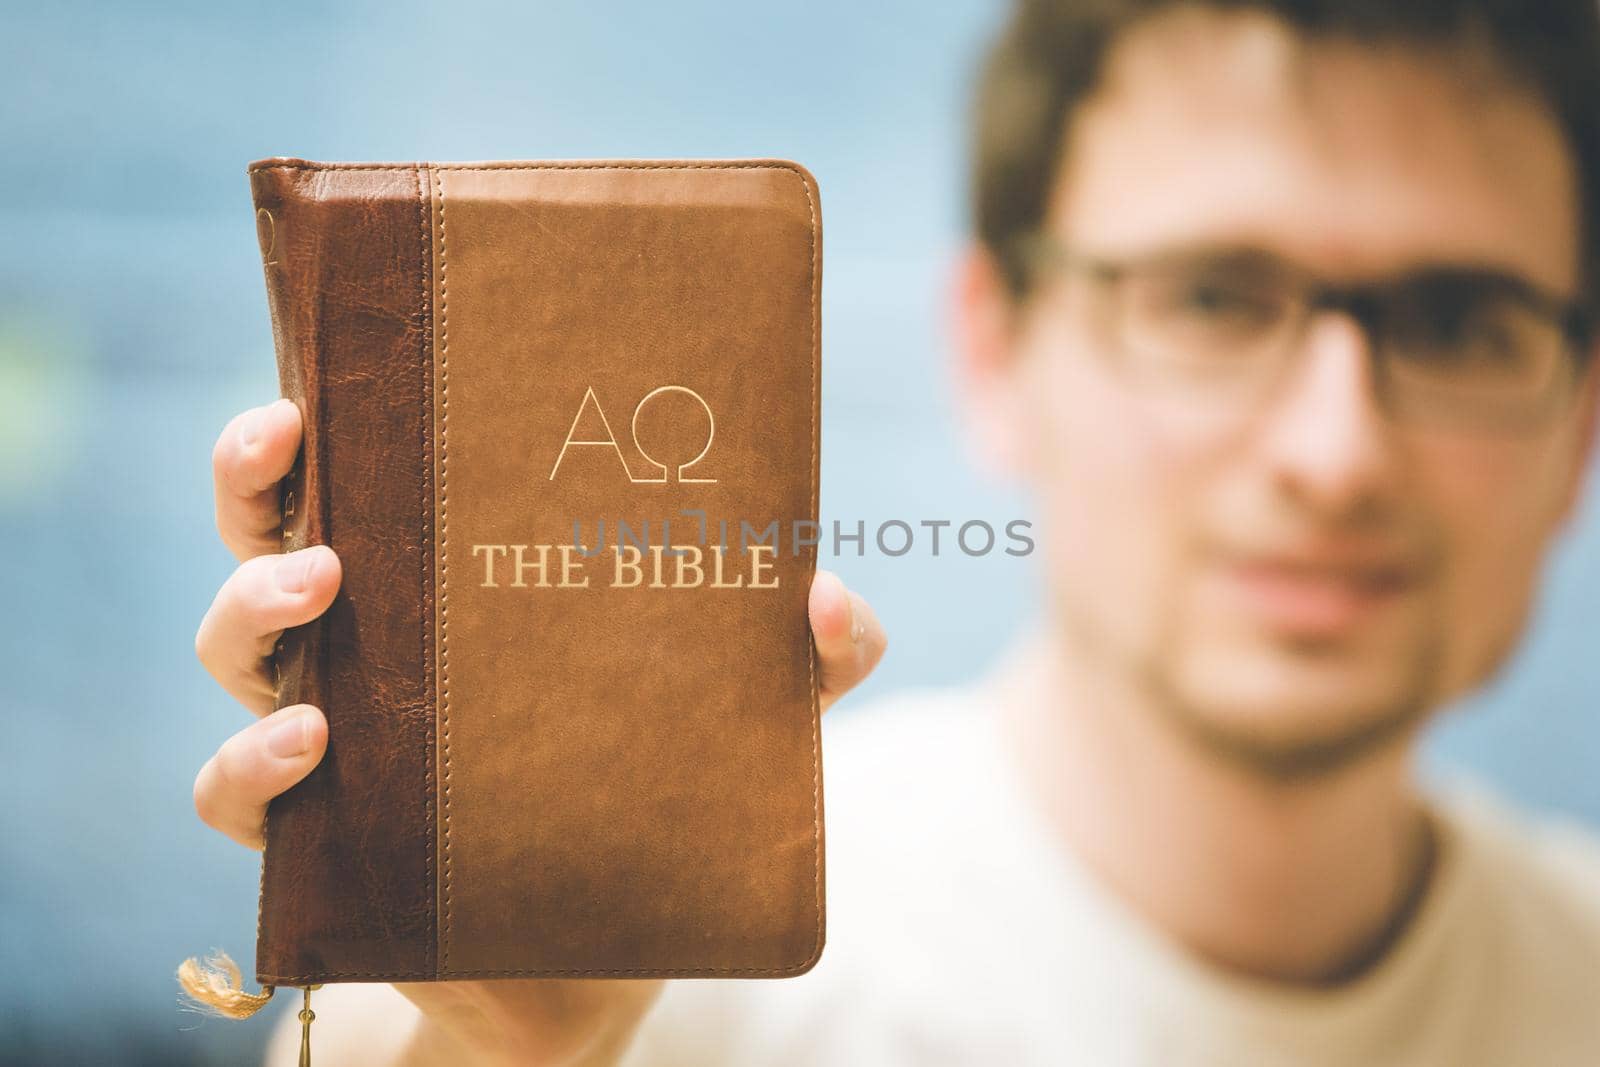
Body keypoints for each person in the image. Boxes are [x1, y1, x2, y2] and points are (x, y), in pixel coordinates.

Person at [194, 0, 1600, 1063]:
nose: (1334, 453)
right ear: (994, 352)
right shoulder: (585, 978)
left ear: (1582, 421)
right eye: (1214, 301)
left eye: (1465, 326)